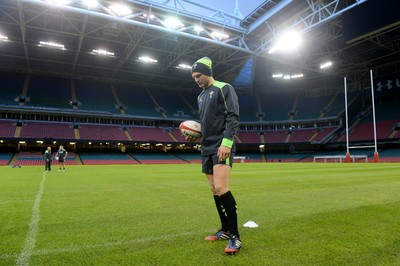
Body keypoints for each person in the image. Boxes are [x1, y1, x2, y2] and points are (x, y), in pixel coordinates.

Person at [189, 56, 242, 254]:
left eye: (199, 75)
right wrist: (196, 134)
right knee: (214, 189)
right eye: (194, 77)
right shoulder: (201, 96)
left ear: (208, 73)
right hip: (206, 147)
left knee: (222, 187)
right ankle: (226, 230)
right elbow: (207, 122)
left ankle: (236, 236)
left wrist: (227, 142)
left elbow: (233, 117)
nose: (196, 79)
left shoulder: (224, 88)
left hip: (221, 146)